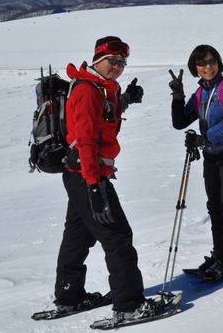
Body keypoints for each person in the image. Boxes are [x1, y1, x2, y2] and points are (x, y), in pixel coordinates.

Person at [52, 36, 154, 321]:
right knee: (117, 236)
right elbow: (85, 140)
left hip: (79, 175)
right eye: (113, 61)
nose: (117, 67)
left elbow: (103, 118)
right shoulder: (88, 90)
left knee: (77, 237)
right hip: (88, 176)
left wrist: (125, 100)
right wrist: (94, 186)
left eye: (122, 62)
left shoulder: (100, 87)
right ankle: (130, 305)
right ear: (98, 59)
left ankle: (69, 298)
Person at [169, 44, 223, 281]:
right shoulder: (202, 92)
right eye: (202, 63)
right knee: (215, 208)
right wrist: (177, 96)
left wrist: (204, 138)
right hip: (212, 156)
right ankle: (220, 256)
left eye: (212, 61)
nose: (208, 66)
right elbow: (180, 121)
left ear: (219, 63)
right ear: (194, 67)